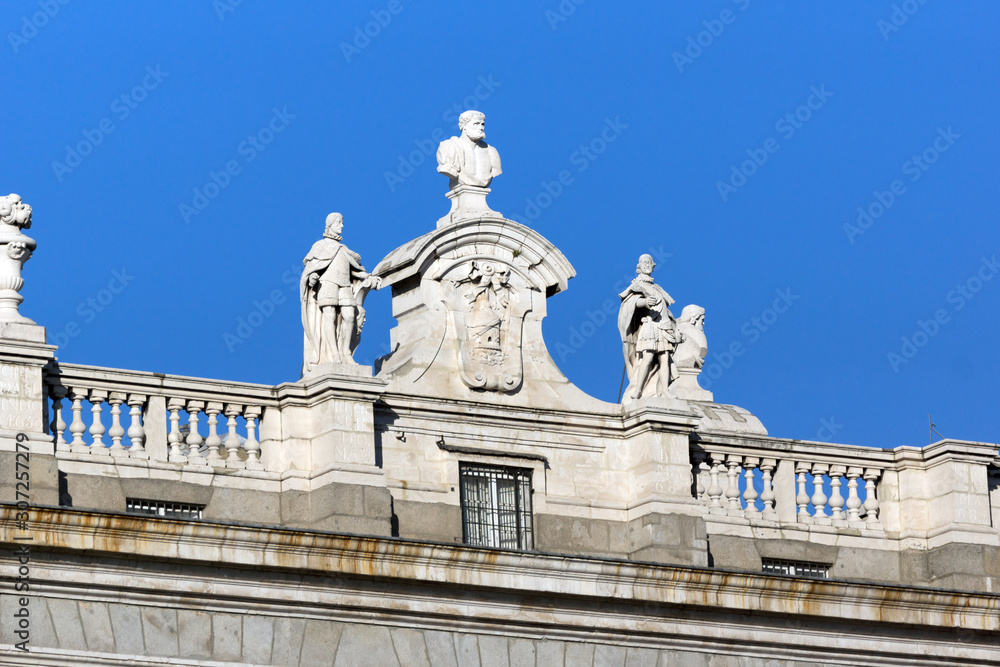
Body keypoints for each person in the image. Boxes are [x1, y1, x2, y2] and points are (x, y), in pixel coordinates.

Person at [300, 213, 381, 374]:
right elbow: (310, 269)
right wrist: (312, 278)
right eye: (339, 222)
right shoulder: (320, 246)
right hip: (327, 284)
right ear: (330, 224)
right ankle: (334, 355)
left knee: (350, 315)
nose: (342, 226)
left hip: (344, 285)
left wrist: (367, 276)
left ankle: (345, 352)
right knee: (329, 315)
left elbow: (354, 270)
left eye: (342, 222)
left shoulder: (343, 249)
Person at [617, 254, 680, 402]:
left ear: (653, 266)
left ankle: (664, 391)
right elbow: (630, 303)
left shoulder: (656, 287)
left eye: (649, 262)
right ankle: (638, 390)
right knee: (648, 357)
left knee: (664, 358)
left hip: (662, 327)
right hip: (650, 326)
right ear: (638, 267)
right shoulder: (636, 284)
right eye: (643, 262)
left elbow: (665, 308)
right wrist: (644, 302)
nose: (646, 264)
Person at [436, 110, 502, 189]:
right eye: (476, 124)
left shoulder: (491, 151)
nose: (481, 127)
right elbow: (447, 169)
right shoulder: (449, 147)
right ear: (464, 126)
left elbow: (496, 171)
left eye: (482, 124)